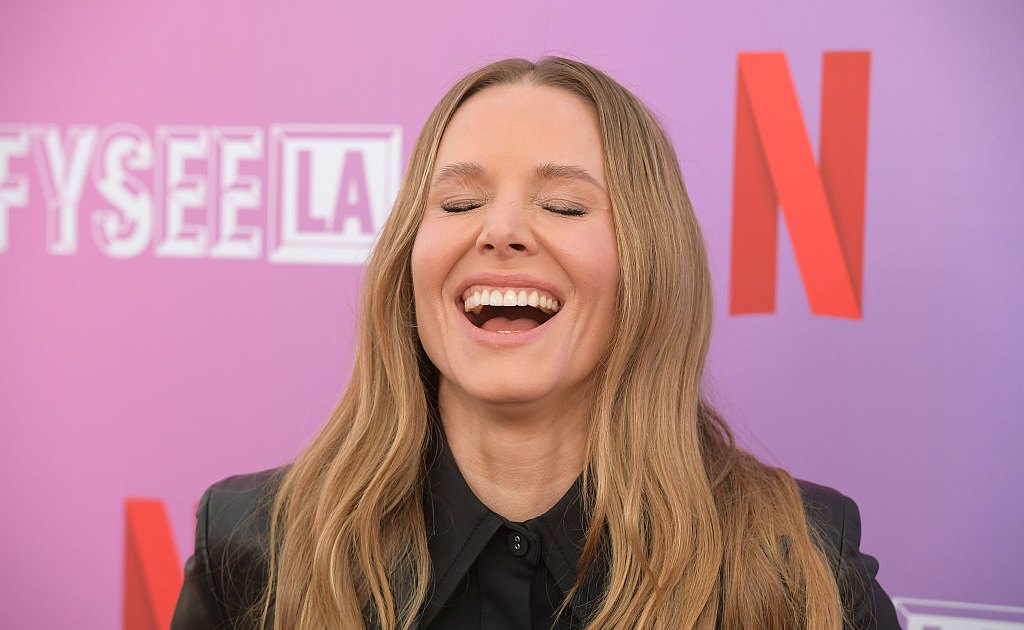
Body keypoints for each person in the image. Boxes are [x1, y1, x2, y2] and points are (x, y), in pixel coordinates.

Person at [171, 57, 899, 630]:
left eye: (563, 206)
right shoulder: (255, 547)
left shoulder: (795, 564)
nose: (500, 230)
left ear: (649, 265)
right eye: (460, 202)